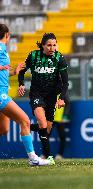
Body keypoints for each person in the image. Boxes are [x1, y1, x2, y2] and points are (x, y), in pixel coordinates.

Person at [0, 23, 53, 166]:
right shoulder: (0, 48)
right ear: (7, 35)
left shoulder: (3, 49)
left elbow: (3, 72)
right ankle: (33, 159)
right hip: (0, 95)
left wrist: (13, 72)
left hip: (3, 92)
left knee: (4, 129)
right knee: (25, 121)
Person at [18, 33, 69, 160]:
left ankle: (26, 127)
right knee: (42, 123)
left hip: (52, 95)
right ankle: (48, 157)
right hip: (37, 93)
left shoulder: (59, 58)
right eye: (49, 45)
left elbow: (65, 82)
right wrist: (21, 84)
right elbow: (22, 71)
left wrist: (61, 97)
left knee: (47, 128)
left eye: (54, 45)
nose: (52, 48)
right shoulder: (33, 55)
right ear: (42, 46)